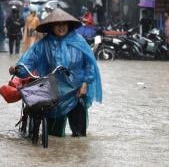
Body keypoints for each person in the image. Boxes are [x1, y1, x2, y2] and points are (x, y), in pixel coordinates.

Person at [9, 8, 102, 137]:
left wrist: (85, 83)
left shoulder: (79, 41)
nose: (61, 27)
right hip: (54, 93)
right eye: (57, 24)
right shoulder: (44, 44)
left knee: (80, 136)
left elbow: (89, 64)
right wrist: (18, 69)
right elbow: (28, 61)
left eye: (63, 24)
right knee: (54, 136)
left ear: (68, 25)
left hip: (77, 92)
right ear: (51, 26)